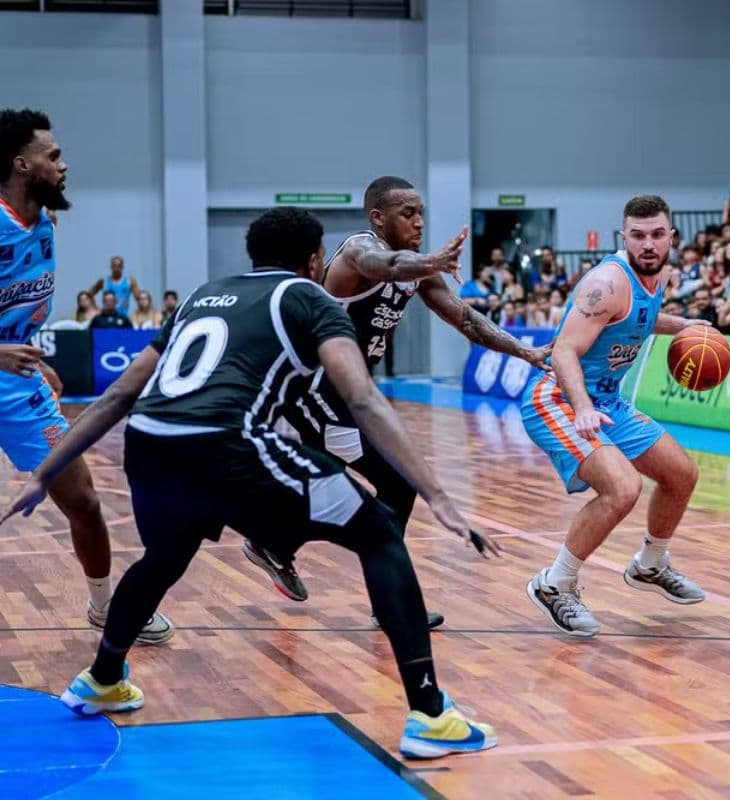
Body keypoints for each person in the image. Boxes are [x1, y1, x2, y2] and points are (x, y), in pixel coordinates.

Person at [1, 207, 500, 760]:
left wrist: (46, 472)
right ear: (315, 260)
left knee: (164, 557)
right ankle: (431, 715)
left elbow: (121, 394)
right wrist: (437, 494)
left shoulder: (202, 294)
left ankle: (102, 676)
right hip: (224, 444)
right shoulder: (310, 298)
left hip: (149, 444)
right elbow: (361, 398)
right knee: (381, 532)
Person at [241, 177, 550, 630]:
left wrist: (522, 349)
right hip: (314, 390)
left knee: (374, 487)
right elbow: (385, 263)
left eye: (421, 211)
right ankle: (370, 593)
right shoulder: (358, 252)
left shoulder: (419, 269)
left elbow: (465, 318)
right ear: (378, 218)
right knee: (392, 486)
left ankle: (275, 542)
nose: (420, 221)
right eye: (408, 213)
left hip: (344, 391)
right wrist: (427, 261)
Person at [0, 108, 171, 644]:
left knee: (83, 500)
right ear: (22, 165)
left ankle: (106, 606)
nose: (64, 165)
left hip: (18, 386)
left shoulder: (46, 222)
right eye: (53, 157)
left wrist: (33, 356)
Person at [521, 195, 705, 637]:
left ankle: (650, 564)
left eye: (657, 235)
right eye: (638, 235)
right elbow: (565, 349)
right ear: (623, 237)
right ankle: (554, 584)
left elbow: (639, 318)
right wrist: (582, 409)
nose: (648, 244)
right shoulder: (606, 281)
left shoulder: (655, 275)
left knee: (682, 474)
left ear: (671, 238)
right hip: (561, 399)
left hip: (606, 401)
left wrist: (686, 326)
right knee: (623, 487)